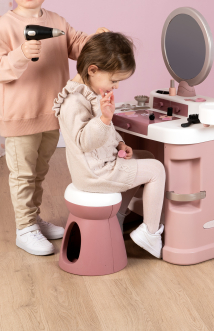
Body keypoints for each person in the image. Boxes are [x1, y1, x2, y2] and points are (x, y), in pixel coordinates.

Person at [0, 0, 108, 256]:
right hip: (19, 116)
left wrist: (96, 41)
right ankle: (24, 228)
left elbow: (78, 45)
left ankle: (34, 220)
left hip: (52, 114)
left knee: (39, 172)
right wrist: (20, 54)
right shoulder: (5, 25)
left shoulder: (57, 22)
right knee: (23, 174)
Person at [53, 32, 166, 259]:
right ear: (92, 70)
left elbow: (105, 131)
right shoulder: (73, 101)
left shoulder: (90, 91)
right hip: (95, 173)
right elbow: (85, 141)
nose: (116, 86)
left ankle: (118, 217)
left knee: (145, 156)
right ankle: (150, 233)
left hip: (101, 164)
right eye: (114, 80)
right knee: (156, 170)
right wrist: (105, 118)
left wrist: (119, 144)